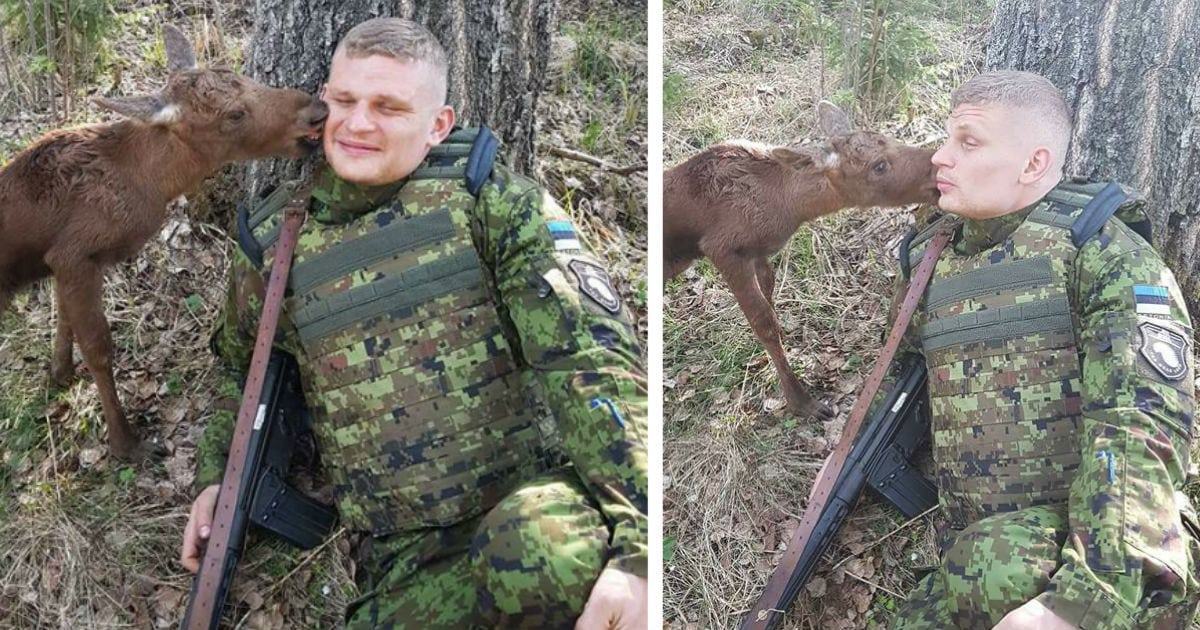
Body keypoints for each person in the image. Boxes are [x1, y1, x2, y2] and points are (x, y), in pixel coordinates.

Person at [178, 17, 648, 629]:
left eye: (388, 107)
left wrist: (639, 550)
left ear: (438, 125)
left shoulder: (491, 201)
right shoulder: (275, 244)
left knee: (533, 555)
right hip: (401, 561)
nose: (358, 123)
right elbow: (241, 373)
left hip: (535, 515)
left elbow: (591, 365)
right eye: (344, 100)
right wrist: (218, 476)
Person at [877, 70, 1200, 629]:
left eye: (968, 142)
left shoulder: (1102, 254)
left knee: (994, 567)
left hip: (1118, 549)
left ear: (1033, 163)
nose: (939, 157)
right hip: (981, 552)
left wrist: (1079, 603)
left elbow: (1142, 427)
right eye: (946, 138)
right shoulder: (932, 263)